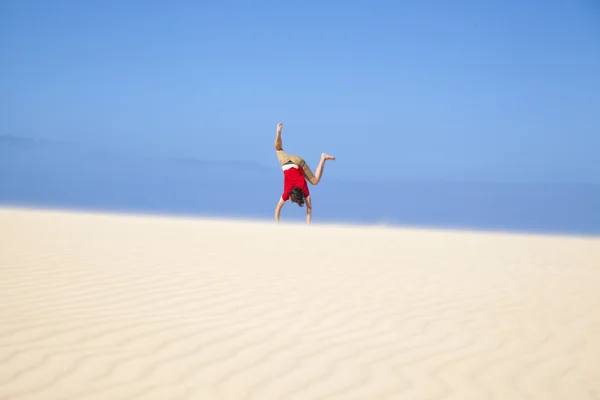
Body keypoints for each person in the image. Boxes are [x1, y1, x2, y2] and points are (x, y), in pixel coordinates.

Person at [274, 122, 335, 225]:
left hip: (296, 162)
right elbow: (277, 209)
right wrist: (277, 225)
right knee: (278, 149)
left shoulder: (303, 189)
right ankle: (279, 133)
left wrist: (307, 226)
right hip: (286, 162)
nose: (290, 201)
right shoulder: (287, 192)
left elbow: (309, 208)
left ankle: (323, 158)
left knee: (315, 181)